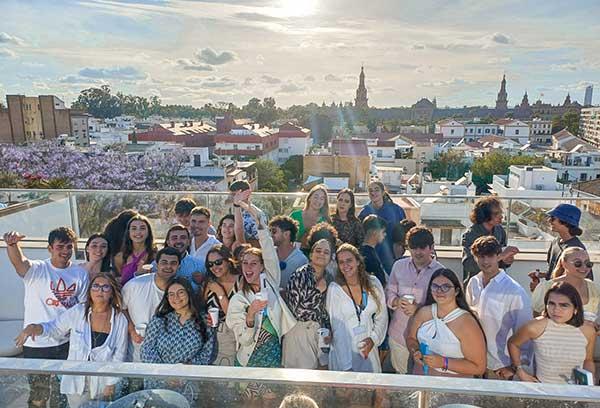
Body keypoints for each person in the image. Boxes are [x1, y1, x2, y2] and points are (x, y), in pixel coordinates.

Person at [4, 227, 89, 408]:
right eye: (60, 247)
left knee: (62, 393)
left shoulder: (80, 273)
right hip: (37, 344)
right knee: (38, 395)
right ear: (50, 248)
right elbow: (20, 263)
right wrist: (12, 245)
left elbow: (81, 309)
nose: (65, 251)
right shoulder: (37, 269)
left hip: (66, 343)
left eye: (69, 247)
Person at [15, 273, 128, 407]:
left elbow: (119, 354)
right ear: (90, 290)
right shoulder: (79, 311)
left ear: (112, 292)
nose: (99, 290)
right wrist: (35, 328)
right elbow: (55, 328)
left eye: (105, 287)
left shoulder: (120, 319)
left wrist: (111, 383)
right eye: (96, 286)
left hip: (102, 384)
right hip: (76, 381)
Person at [226, 200, 296, 400]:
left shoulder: (271, 282)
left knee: (270, 402)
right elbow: (245, 339)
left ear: (263, 266)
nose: (248, 267)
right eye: (245, 263)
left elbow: (265, 236)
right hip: (248, 358)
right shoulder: (238, 300)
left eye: (254, 263)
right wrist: (251, 313)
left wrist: (248, 206)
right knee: (250, 404)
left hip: (272, 356)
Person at [466, 236, 532, 380]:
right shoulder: (473, 283)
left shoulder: (514, 291)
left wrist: (515, 368)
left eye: (490, 256)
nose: (485, 261)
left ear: (498, 256)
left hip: (500, 367)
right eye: (480, 256)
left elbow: (525, 333)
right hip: (474, 361)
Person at [142, 276, 216, 401]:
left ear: (189, 293)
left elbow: (206, 354)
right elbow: (147, 350)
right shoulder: (159, 320)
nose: (175, 298)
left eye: (180, 292)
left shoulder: (205, 321)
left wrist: (184, 372)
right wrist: (166, 374)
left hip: (187, 384)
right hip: (158, 384)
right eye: (171, 294)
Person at [509, 282, 596, 384]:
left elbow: (588, 360)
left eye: (564, 305)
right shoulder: (535, 326)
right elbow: (513, 343)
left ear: (576, 309)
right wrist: (520, 371)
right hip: (544, 391)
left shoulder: (588, 331)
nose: (556, 310)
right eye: (551, 304)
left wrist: (590, 381)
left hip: (576, 393)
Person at [406, 268, 487, 377]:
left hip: (454, 387)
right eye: (435, 286)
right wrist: (415, 351)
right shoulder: (423, 313)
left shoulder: (467, 323)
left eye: (446, 287)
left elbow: (479, 367)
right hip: (422, 380)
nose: (439, 291)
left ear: (457, 291)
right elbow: (411, 338)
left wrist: (444, 362)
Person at [386, 226, 445, 374]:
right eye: (413, 248)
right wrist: (396, 301)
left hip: (427, 341)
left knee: (423, 381)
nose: (417, 252)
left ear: (431, 248)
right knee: (402, 380)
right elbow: (389, 292)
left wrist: (419, 310)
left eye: (422, 248)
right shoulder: (398, 266)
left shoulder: (441, 272)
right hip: (399, 335)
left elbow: (444, 307)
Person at [326, 243, 388, 373]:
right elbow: (337, 328)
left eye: (349, 260)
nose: (345, 265)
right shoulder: (335, 289)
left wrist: (373, 339)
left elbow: (382, 316)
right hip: (344, 351)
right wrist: (346, 367)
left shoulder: (373, 283)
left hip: (368, 349)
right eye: (341, 262)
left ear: (358, 261)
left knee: (369, 390)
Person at [122, 247, 180, 363]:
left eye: (173, 263)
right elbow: (121, 310)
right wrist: (132, 330)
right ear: (156, 264)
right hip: (136, 354)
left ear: (179, 267)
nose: (168, 266)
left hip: (167, 357)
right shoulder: (134, 285)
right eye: (164, 262)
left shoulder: (182, 292)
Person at [283, 238, 333, 369]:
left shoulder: (330, 278)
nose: (321, 254)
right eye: (318, 250)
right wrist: (317, 291)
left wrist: (329, 329)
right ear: (311, 254)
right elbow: (298, 310)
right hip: (299, 332)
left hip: (321, 334)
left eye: (326, 252)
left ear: (330, 258)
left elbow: (328, 310)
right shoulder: (300, 275)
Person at [532, 247, 598, 323]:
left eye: (588, 264)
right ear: (564, 263)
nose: (584, 267)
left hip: (586, 334)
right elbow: (537, 318)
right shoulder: (546, 287)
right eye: (577, 263)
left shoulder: (592, 287)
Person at [203, 244, 242, 366]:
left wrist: (220, 293)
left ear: (228, 260)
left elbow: (233, 316)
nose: (214, 267)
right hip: (211, 336)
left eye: (218, 262)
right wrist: (205, 318)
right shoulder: (209, 283)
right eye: (210, 264)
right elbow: (201, 309)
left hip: (233, 336)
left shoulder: (241, 281)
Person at [461, 196, 519, 281]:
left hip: (497, 282)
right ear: (484, 215)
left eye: (500, 213)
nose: (501, 217)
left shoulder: (499, 230)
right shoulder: (470, 235)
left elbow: (500, 261)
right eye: (496, 214)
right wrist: (501, 256)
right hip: (477, 283)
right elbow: (469, 265)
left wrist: (506, 260)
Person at [532, 204, 588, 287]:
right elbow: (554, 272)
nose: (549, 221)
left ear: (565, 222)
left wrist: (541, 289)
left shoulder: (576, 250)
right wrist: (541, 275)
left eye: (553, 218)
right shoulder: (555, 242)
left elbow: (580, 282)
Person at [358, 181, 406, 274]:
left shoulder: (396, 210)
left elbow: (403, 232)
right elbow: (360, 236)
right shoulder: (364, 212)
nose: (373, 193)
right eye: (370, 190)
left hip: (391, 256)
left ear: (383, 192)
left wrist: (400, 250)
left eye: (376, 190)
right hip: (371, 257)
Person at [114, 214, 157, 286]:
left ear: (148, 231)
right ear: (128, 232)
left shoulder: (155, 256)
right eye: (134, 228)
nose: (138, 232)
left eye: (142, 228)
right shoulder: (120, 257)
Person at [163, 224, 206, 292]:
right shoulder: (157, 265)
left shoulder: (200, 266)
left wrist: (202, 283)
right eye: (174, 238)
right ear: (168, 242)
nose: (179, 241)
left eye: (183, 238)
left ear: (189, 242)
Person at [269, 215, 308, 289]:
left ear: (286, 234)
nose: (271, 235)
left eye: (274, 231)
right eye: (270, 231)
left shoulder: (301, 260)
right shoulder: (269, 254)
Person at [290, 184, 331, 250]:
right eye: (316, 197)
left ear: (324, 202)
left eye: (322, 198)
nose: (318, 201)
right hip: (293, 253)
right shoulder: (295, 215)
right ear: (309, 198)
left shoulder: (325, 221)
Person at [230, 180, 268, 246]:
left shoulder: (256, 214)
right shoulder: (234, 210)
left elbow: (261, 242)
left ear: (247, 193)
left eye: (235, 194)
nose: (232, 198)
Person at [360, 215, 388, 286]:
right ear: (375, 232)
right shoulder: (367, 255)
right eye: (383, 231)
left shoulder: (367, 251)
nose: (385, 234)